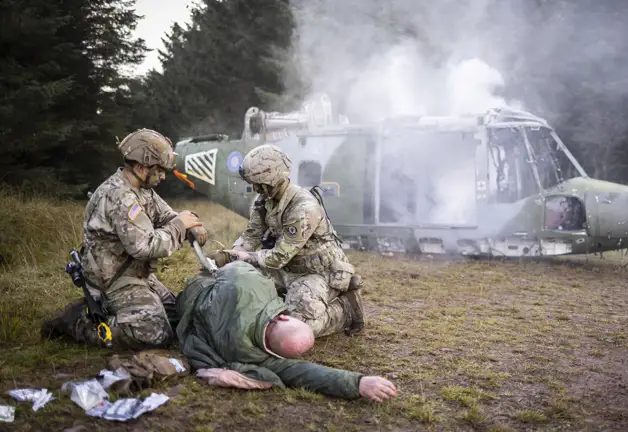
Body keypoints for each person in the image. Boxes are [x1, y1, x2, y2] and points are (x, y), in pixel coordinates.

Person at [41, 128, 208, 350]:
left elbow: (166, 215)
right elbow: (145, 246)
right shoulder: (120, 197)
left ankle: (113, 312)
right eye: (158, 170)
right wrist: (180, 226)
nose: (162, 176)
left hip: (135, 274)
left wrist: (190, 225)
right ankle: (78, 322)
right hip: (113, 281)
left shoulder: (142, 188)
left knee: (177, 319)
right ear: (141, 167)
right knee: (155, 333)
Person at [176, 260, 398, 402]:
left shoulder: (257, 285)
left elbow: (235, 268)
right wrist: (358, 383)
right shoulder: (252, 357)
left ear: (282, 316)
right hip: (189, 299)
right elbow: (304, 372)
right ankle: (343, 307)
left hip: (200, 284)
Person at [210, 144, 365, 338]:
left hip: (316, 272)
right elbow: (252, 235)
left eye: (258, 183)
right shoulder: (263, 201)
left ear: (273, 177)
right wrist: (232, 259)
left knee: (298, 327)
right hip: (286, 268)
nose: (255, 188)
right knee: (242, 288)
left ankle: (345, 310)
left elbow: (278, 257)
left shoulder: (303, 208)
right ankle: (286, 299)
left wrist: (241, 256)